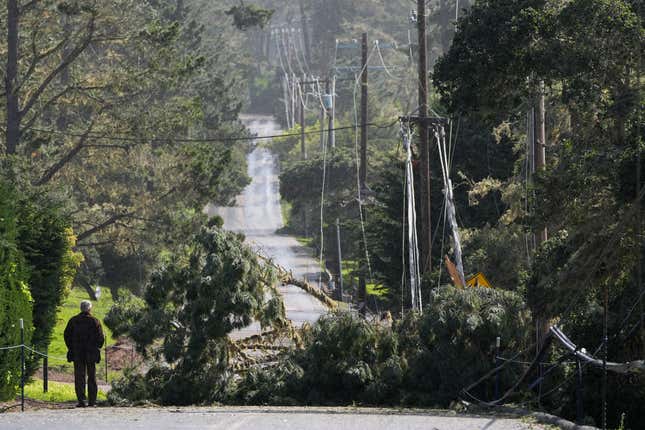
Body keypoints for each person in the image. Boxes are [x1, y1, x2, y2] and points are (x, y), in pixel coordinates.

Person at [64, 300, 105, 407]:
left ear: (80, 308)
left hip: (77, 352)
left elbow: (67, 336)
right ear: (90, 309)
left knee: (79, 376)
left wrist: (71, 347)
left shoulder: (73, 321)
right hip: (91, 353)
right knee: (92, 376)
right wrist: (97, 347)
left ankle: (81, 400)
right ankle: (92, 401)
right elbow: (100, 338)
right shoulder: (95, 321)